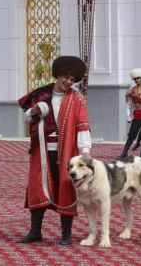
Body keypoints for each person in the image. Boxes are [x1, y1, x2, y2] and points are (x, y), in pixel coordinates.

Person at [17, 56, 91, 245]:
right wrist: (33, 111)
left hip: (67, 152)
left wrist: (85, 151)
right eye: (66, 77)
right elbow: (27, 116)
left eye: (73, 79)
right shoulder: (41, 95)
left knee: (66, 188)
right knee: (37, 186)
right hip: (41, 150)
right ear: (57, 75)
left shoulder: (77, 99)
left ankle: (66, 233)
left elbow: (82, 126)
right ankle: (35, 232)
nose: (68, 82)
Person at [119, 68, 141, 158]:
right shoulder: (131, 90)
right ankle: (124, 152)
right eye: (135, 79)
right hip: (137, 115)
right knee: (132, 134)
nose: (137, 80)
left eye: (138, 78)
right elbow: (128, 104)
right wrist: (129, 116)